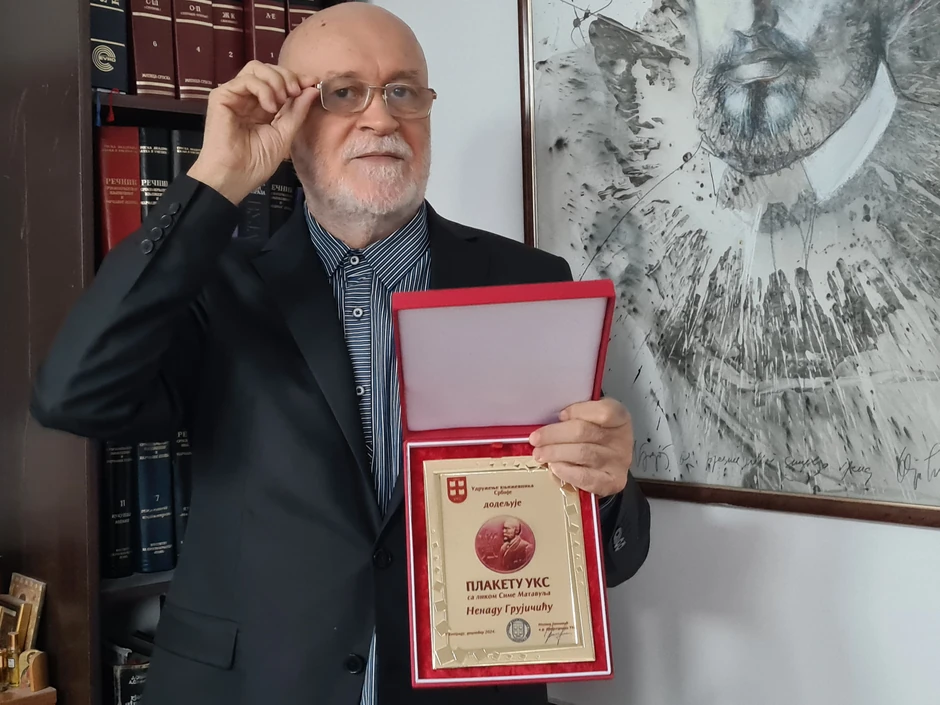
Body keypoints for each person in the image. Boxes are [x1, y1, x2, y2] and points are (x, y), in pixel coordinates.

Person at [30, 4, 650, 705]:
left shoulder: (528, 282)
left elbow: (600, 551)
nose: (381, 118)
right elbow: (74, 395)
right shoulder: (213, 285)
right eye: (343, 92)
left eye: (403, 91)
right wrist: (216, 179)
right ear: (288, 122)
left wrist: (606, 485)